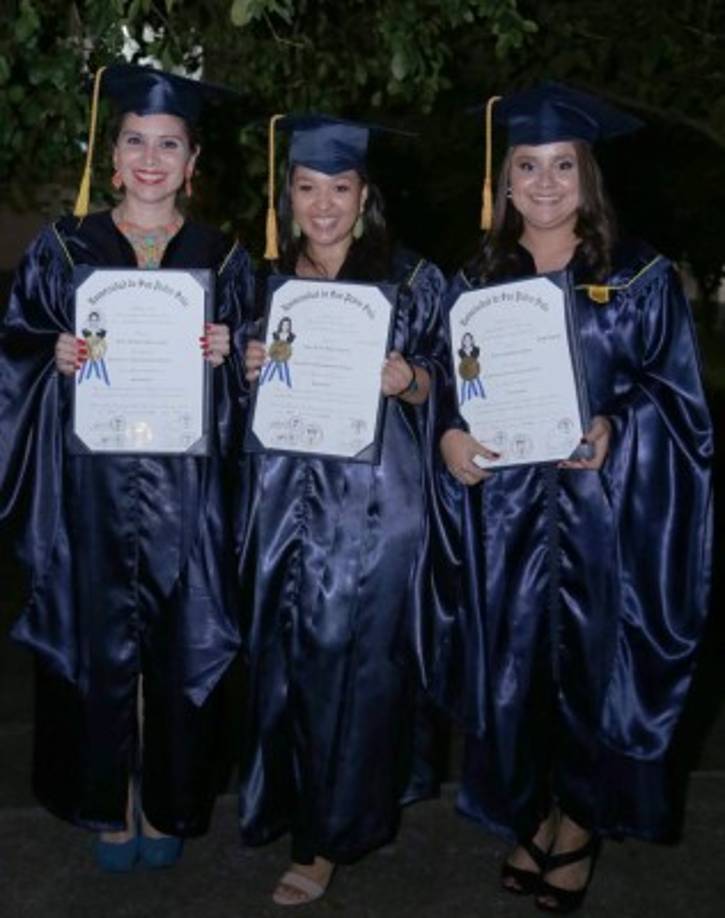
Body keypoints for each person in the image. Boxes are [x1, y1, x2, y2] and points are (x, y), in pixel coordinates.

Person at [423, 83, 713, 912]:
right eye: (526, 165)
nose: (545, 183)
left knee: (589, 672)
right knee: (515, 670)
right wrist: (446, 434)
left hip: (600, 517)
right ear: (503, 179)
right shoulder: (472, 278)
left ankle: (580, 819)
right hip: (507, 515)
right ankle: (529, 808)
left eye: (562, 166)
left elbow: (678, 400)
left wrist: (619, 427)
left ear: (587, 176)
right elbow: (447, 382)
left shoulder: (639, 276)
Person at [0, 64, 253, 871]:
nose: (151, 158)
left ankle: (165, 801)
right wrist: (53, 357)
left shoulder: (225, 255)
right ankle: (106, 801)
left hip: (188, 493)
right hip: (90, 490)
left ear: (192, 161)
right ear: (111, 156)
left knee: (179, 648)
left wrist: (231, 362)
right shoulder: (64, 246)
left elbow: (263, 384)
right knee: (98, 642)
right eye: (135, 141)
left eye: (168, 144)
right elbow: (14, 355)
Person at [238, 114, 447, 906]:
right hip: (281, 497)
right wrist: (244, 368)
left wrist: (411, 382)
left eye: (340, 188)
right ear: (286, 195)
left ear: (364, 196)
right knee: (285, 662)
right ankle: (292, 806)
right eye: (306, 187)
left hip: (371, 504)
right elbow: (225, 402)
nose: (322, 205)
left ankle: (328, 835)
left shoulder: (411, 277)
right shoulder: (258, 282)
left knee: (352, 666)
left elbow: (451, 386)